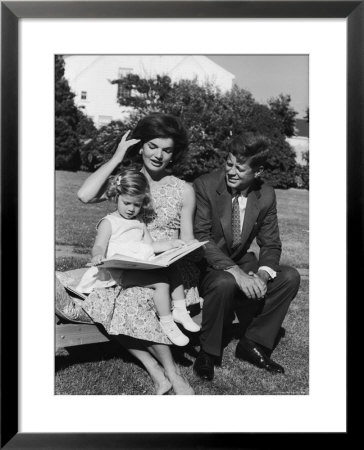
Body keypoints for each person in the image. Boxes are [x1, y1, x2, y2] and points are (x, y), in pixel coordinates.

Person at [74, 113, 201, 395]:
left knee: (128, 297)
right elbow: (84, 195)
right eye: (152, 146)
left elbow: (188, 240)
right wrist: (119, 155)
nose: (158, 155)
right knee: (106, 297)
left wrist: (176, 251)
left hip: (167, 270)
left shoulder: (184, 190)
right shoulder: (128, 184)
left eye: (167, 150)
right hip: (128, 266)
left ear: (174, 154)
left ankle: (171, 373)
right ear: (140, 146)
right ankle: (160, 371)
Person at [192, 134, 301, 381]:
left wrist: (262, 275)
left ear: (258, 171)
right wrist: (237, 273)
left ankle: (252, 343)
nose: (231, 172)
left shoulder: (266, 195)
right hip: (206, 265)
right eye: (228, 164)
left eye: (240, 169)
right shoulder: (205, 185)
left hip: (242, 261)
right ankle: (208, 352)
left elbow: (271, 243)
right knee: (225, 281)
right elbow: (200, 239)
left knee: (289, 277)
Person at [76, 166, 200, 346]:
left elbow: (151, 245)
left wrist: (171, 245)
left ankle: (181, 310)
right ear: (116, 196)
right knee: (161, 282)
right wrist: (98, 256)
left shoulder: (139, 222)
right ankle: (167, 323)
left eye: (137, 204)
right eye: (127, 203)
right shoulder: (109, 222)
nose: (131, 209)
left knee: (172, 267)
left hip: (137, 266)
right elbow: (100, 245)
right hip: (117, 272)